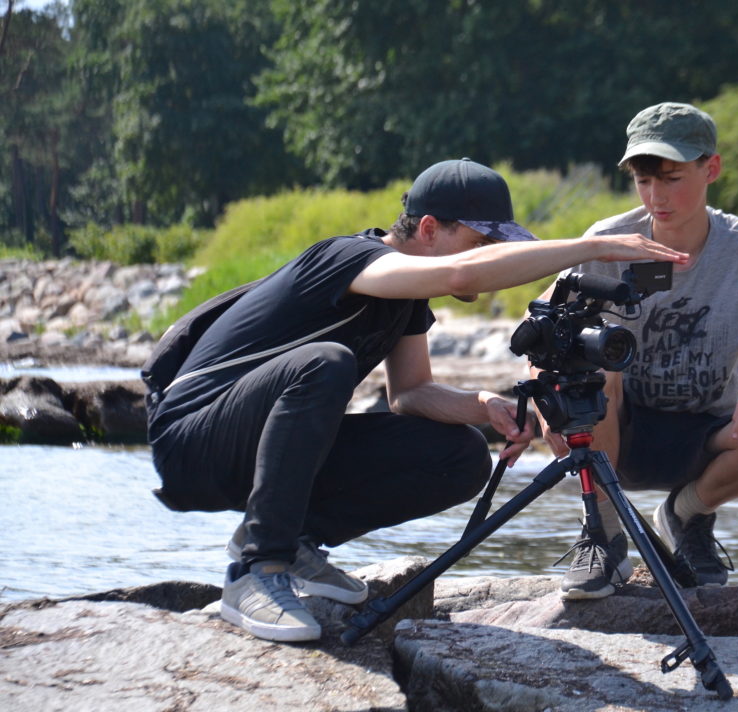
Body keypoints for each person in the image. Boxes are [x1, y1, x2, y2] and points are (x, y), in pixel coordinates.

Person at [147, 158, 688, 641]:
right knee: (326, 362)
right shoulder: (346, 257)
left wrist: (484, 407)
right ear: (429, 228)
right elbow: (458, 271)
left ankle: (296, 542)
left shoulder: (408, 299)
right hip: (195, 440)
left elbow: (409, 394)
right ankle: (257, 569)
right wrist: (591, 248)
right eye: (484, 243)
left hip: (259, 447)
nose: (492, 259)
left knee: (460, 456)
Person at [535, 103, 738, 600]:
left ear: (712, 168)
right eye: (644, 180)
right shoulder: (605, 242)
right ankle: (604, 536)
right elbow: (543, 336)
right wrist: (546, 405)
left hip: (703, 437)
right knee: (592, 373)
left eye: (671, 178)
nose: (656, 196)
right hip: (612, 428)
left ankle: (686, 515)